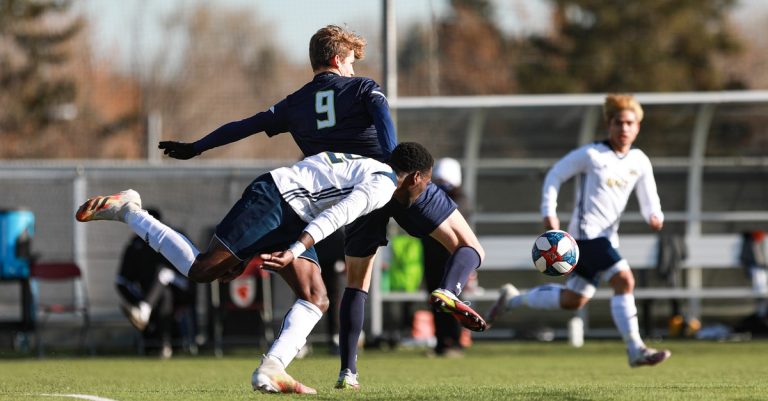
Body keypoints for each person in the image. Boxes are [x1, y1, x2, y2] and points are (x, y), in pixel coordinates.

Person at [157, 25, 486, 390]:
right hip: (389, 180)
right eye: (351, 61)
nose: (353, 69)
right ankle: (449, 290)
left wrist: (197, 147)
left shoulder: (295, 103)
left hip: (347, 196)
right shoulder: (363, 88)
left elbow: (245, 125)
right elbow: (385, 128)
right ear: (336, 59)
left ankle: (348, 371)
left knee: (357, 284)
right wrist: (394, 170)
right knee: (468, 245)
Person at [76, 142, 434, 394]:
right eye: (427, 184)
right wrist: (295, 249)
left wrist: (255, 251)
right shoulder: (383, 185)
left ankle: (272, 368)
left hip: (291, 210)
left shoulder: (368, 165)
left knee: (316, 297)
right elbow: (337, 215)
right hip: (275, 202)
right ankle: (130, 211)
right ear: (416, 177)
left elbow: (314, 170)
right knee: (202, 270)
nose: (425, 191)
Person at [486, 94, 672, 368]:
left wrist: (655, 216)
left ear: (638, 127)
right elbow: (555, 174)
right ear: (609, 125)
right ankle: (636, 349)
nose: (624, 128)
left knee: (574, 300)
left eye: (630, 123)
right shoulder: (592, 155)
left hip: (606, 238)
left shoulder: (639, 160)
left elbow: (649, 198)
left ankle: (513, 300)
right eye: (619, 122)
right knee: (624, 280)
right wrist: (549, 212)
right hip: (586, 236)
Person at [116, 208, 196, 358]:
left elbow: (192, 269)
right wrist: (138, 298)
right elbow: (122, 280)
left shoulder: (172, 237)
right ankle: (164, 345)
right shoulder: (136, 245)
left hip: (182, 286)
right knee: (164, 295)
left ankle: (144, 311)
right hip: (155, 294)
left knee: (163, 273)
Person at [421, 158, 470, 357]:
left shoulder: (460, 201)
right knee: (436, 301)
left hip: (452, 260)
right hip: (432, 258)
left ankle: (455, 342)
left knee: (452, 300)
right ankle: (441, 343)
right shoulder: (430, 197)